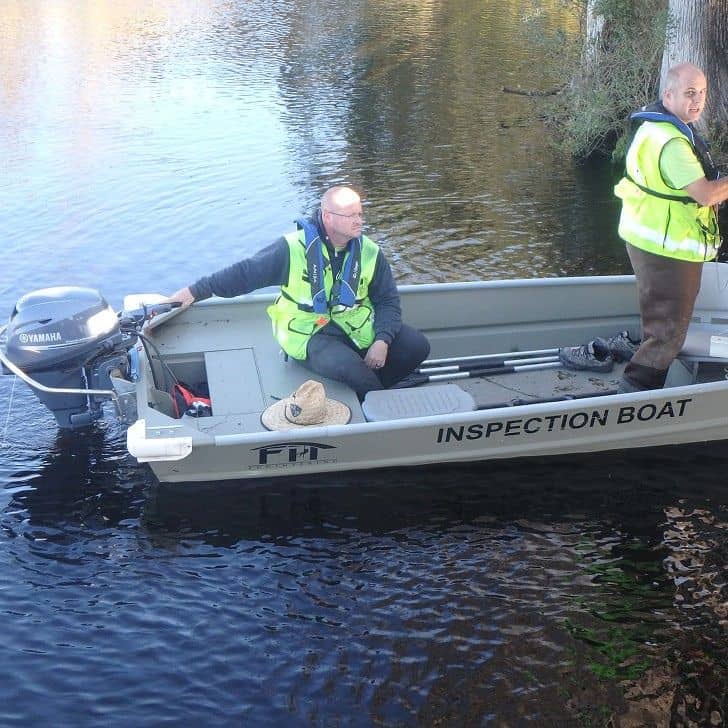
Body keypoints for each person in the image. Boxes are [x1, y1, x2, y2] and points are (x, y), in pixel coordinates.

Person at [166, 185, 430, 400]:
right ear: (328, 217)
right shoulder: (292, 248)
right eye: (351, 216)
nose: (359, 221)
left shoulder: (370, 251)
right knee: (352, 369)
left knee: (417, 346)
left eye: (360, 214)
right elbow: (243, 274)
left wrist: (382, 340)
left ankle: (372, 391)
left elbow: (388, 302)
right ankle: (376, 404)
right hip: (307, 333)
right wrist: (192, 292)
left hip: (354, 327)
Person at [614, 62, 728, 392]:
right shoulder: (673, 144)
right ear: (668, 94)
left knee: (663, 321)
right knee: (667, 332)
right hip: (667, 250)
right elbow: (706, 195)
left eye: (703, 93)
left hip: (650, 240)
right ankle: (634, 398)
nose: (698, 101)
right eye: (690, 93)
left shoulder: (656, 128)